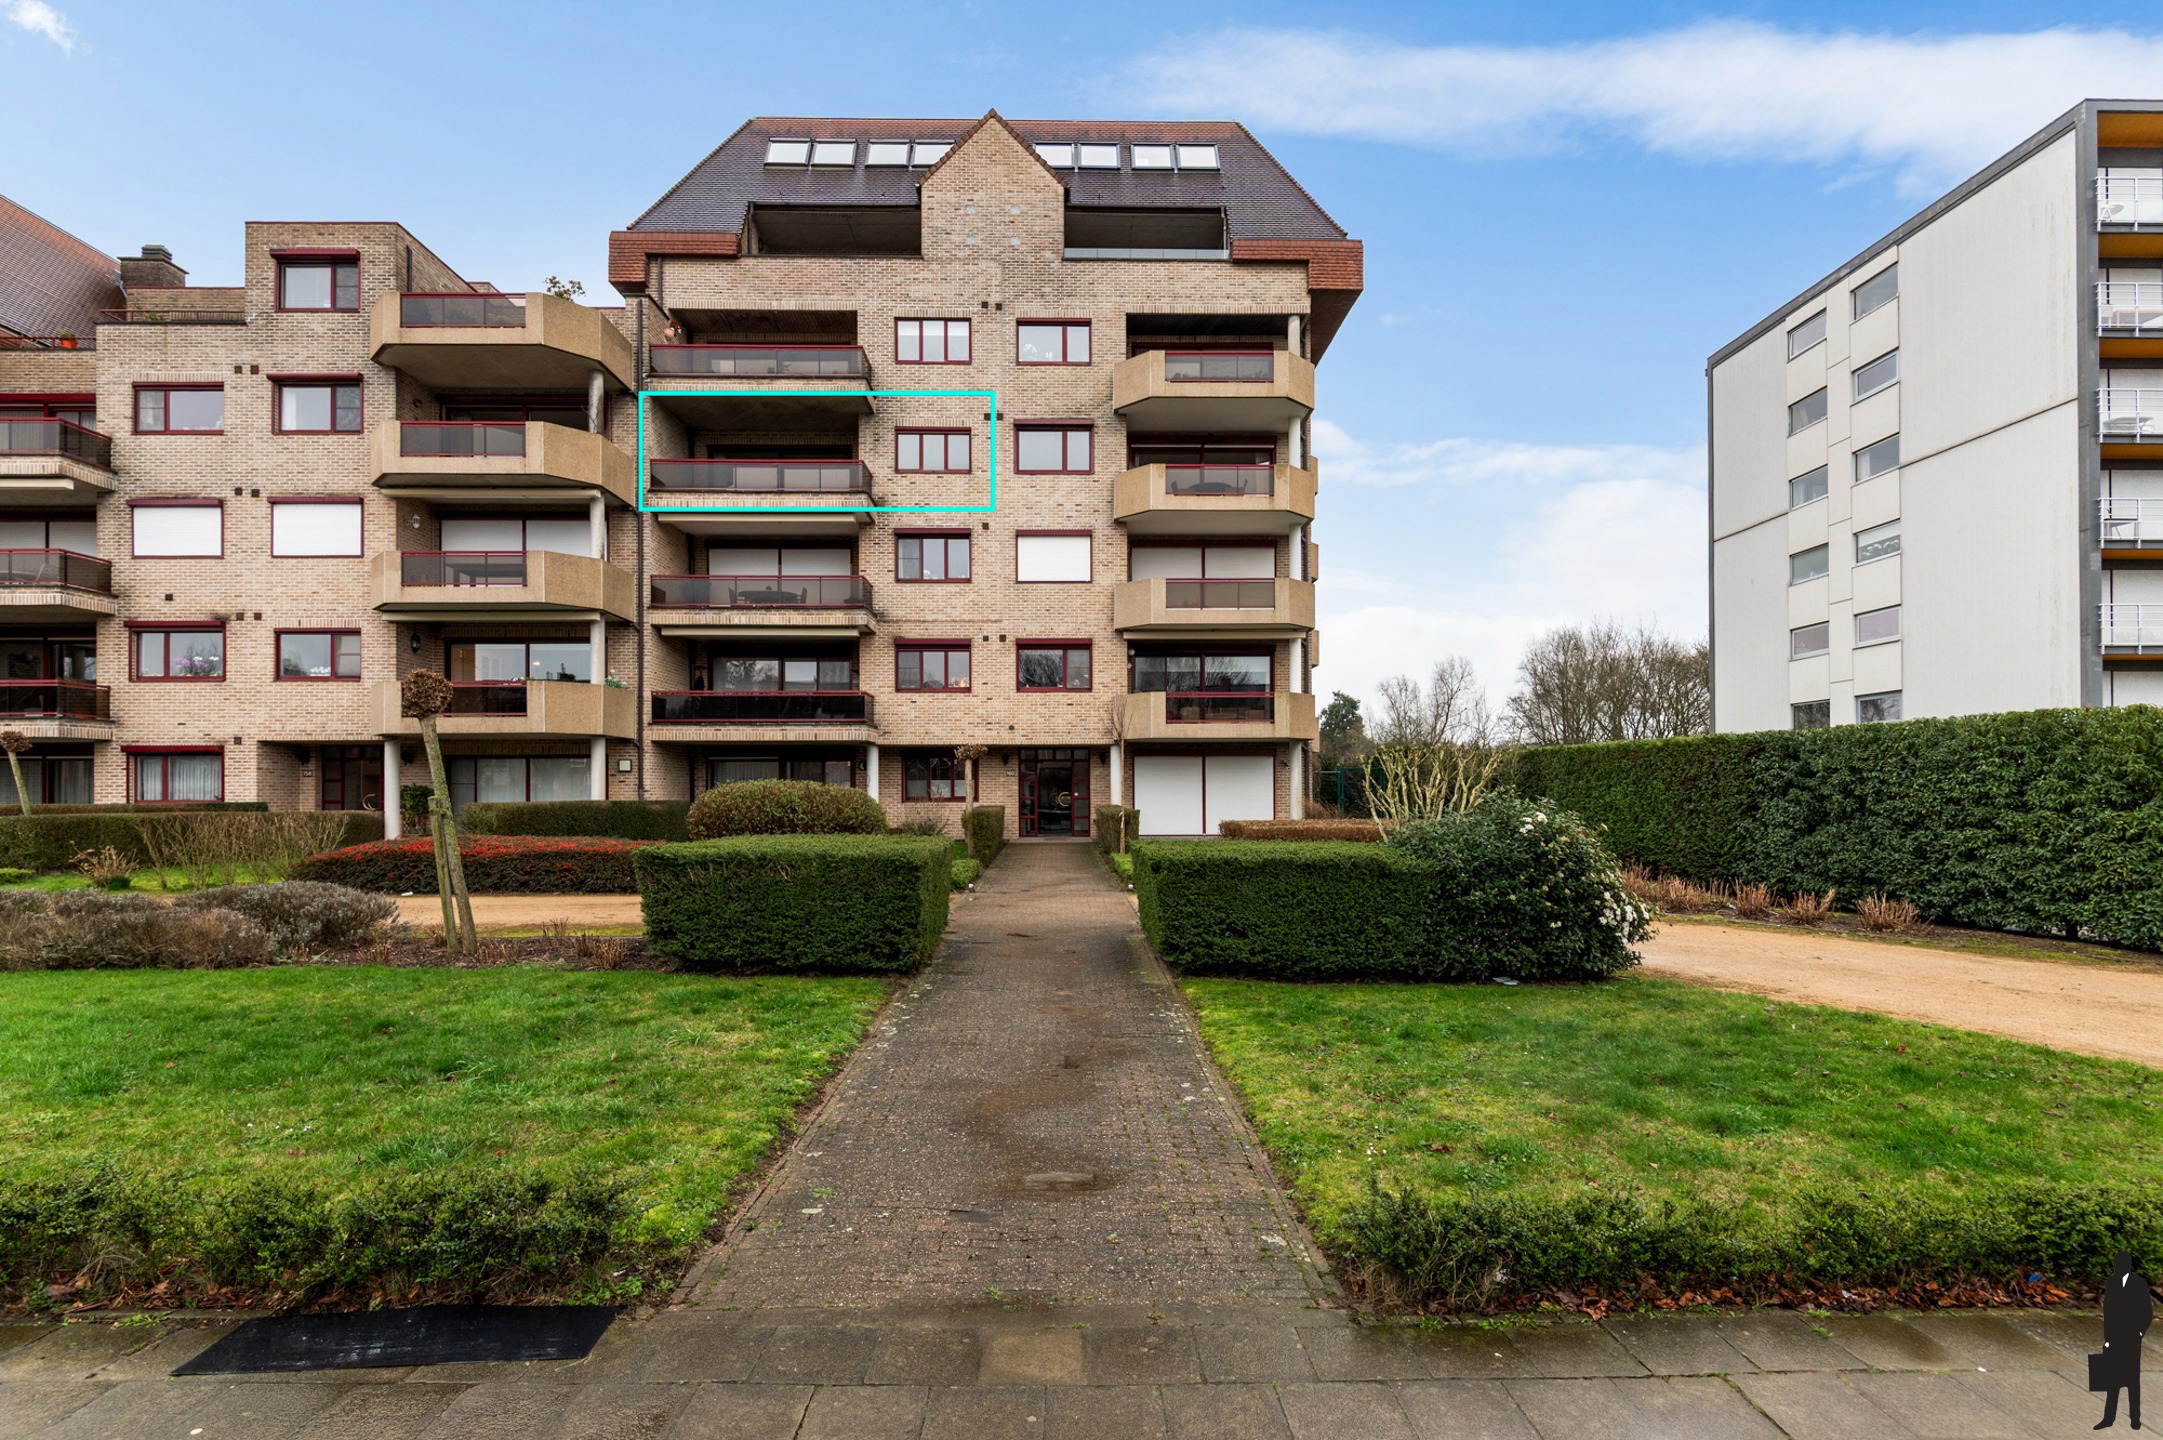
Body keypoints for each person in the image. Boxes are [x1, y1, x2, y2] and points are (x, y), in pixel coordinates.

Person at [2098, 1250, 2152, 1430]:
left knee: (2132, 1381)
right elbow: (2108, 1313)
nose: (2117, 1267)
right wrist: (2107, 1339)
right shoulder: (2111, 1282)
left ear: (2127, 1265)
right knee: (2112, 1381)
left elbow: (2147, 1312)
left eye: (2120, 1264)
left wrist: (2139, 1333)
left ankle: (2134, 1418)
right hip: (2115, 1338)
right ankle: (2108, 1418)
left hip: (2131, 1339)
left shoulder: (2139, 1283)